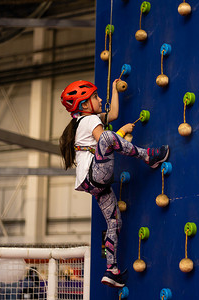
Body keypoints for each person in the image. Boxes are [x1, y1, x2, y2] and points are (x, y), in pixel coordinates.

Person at [59, 79, 169, 288]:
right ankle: (148, 157)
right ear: (84, 105)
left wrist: (115, 89)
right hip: (95, 174)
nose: (100, 99)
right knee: (109, 137)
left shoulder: (84, 120)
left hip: (92, 182)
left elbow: (114, 115)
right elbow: (106, 140)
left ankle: (112, 270)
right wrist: (122, 132)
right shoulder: (89, 121)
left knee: (114, 222)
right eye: (95, 97)